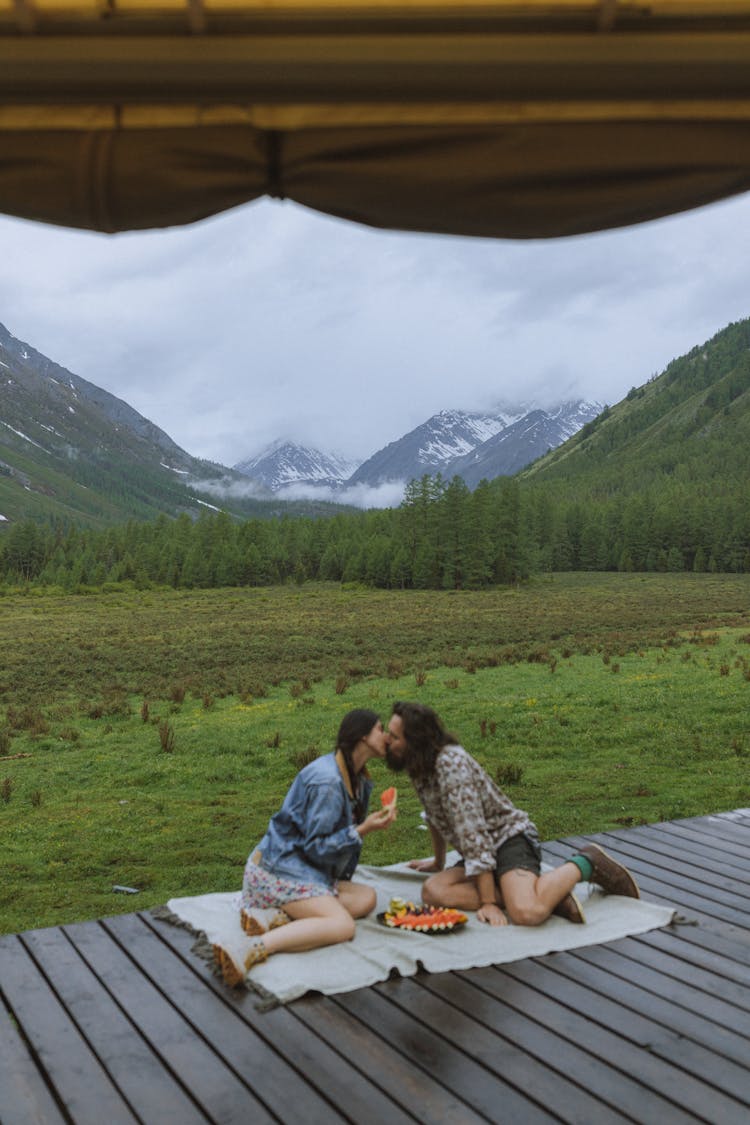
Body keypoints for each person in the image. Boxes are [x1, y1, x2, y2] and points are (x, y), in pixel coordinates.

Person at [385, 701, 639, 927]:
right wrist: (438, 862)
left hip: (509, 839)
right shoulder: (419, 765)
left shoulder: (451, 768)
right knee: (433, 891)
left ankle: (588, 862)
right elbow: (433, 816)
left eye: (394, 736)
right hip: (484, 852)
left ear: (415, 740)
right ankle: (545, 893)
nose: (387, 740)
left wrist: (488, 902)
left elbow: (474, 835)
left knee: (526, 914)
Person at [214, 708, 396, 986]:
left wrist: (363, 828)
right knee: (343, 925)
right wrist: (363, 829)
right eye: (380, 729)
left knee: (366, 898)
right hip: (279, 870)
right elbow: (315, 847)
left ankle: (273, 916)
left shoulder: (357, 778)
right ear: (362, 737)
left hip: (305, 869)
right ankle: (252, 948)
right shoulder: (328, 782)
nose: (386, 737)